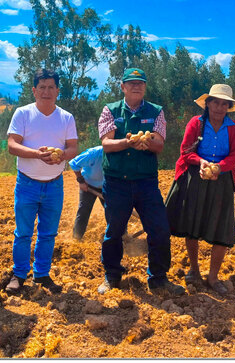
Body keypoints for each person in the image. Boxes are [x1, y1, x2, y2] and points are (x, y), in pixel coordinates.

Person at [97, 67, 185, 296]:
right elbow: (106, 144)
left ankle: (158, 279)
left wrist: (146, 142)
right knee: (114, 231)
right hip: (117, 183)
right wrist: (128, 142)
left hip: (146, 182)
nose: (136, 86)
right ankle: (112, 276)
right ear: (123, 87)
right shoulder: (110, 110)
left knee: (159, 229)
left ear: (145, 87)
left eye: (141, 83)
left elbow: (159, 144)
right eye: (131, 83)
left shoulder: (156, 112)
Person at [165, 84, 235, 295]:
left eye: (224, 104)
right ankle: (194, 269)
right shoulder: (196, 123)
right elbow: (185, 152)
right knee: (193, 225)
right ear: (207, 104)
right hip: (196, 177)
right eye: (215, 102)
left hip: (222, 180)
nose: (219, 107)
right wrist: (201, 162)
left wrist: (220, 167)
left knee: (221, 229)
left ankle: (213, 276)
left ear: (229, 107)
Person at [5, 69, 78, 294]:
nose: (46, 91)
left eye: (51, 87)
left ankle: (42, 274)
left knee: (48, 233)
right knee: (23, 233)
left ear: (57, 91)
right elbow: (12, 145)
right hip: (27, 183)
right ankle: (19, 274)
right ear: (34, 90)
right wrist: (38, 154)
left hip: (55, 184)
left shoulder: (66, 117)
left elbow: (73, 147)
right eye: (42, 87)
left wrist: (61, 155)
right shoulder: (22, 114)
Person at [69, 145, 105, 240]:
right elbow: (74, 163)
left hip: (107, 187)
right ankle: (77, 237)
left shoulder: (119, 154)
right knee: (83, 211)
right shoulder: (93, 153)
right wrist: (81, 181)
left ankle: (122, 235)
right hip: (88, 185)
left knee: (114, 212)